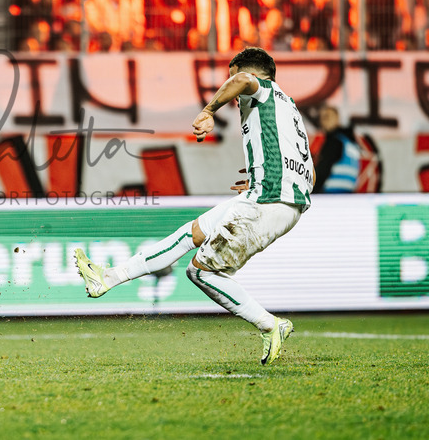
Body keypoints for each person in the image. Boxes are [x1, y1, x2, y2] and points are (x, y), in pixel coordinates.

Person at [74, 47, 313, 365]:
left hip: (269, 201)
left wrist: (209, 110)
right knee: (192, 233)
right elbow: (307, 168)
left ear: (242, 70)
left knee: (202, 273)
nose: (232, 83)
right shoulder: (291, 109)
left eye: (231, 75)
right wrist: (268, 176)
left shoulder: (260, 89)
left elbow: (243, 80)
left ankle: (270, 325)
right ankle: (108, 278)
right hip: (271, 194)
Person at [312, 105, 360, 193]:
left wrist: (312, 192)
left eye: (327, 116)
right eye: (322, 117)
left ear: (337, 119)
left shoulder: (334, 142)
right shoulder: (350, 143)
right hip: (348, 195)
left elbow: (322, 172)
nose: (324, 120)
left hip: (331, 196)